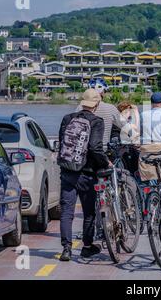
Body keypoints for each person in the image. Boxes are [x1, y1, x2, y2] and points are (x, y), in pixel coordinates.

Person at [57, 89, 111, 262]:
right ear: (96, 104)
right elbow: (95, 148)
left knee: (67, 212)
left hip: (67, 172)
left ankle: (66, 249)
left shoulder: (67, 118)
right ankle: (87, 247)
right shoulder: (96, 121)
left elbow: (61, 144)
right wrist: (105, 163)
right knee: (89, 213)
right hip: (87, 174)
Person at [139, 92, 161, 183]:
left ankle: (150, 193)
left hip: (147, 149)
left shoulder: (143, 114)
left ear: (151, 103)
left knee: (148, 177)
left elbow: (139, 132)